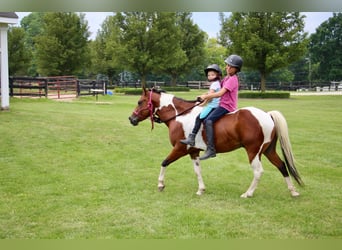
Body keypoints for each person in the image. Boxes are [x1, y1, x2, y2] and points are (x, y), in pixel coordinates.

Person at [198, 54, 243, 160]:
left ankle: (211, 149)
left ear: (235, 68)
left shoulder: (233, 79)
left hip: (227, 106)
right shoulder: (227, 78)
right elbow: (217, 89)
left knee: (208, 121)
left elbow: (220, 94)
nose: (226, 67)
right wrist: (205, 96)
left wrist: (206, 96)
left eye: (229, 66)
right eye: (227, 65)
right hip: (221, 104)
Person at [180, 64, 222, 146]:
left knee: (199, 118)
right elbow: (209, 93)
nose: (210, 76)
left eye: (212, 74)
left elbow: (210, 97)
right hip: (215, 105)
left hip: (212, 106)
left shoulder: (214, 84)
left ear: (217, 75)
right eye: (209, 75)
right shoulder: (217, 83)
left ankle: (192, 138)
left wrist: (203, 104)